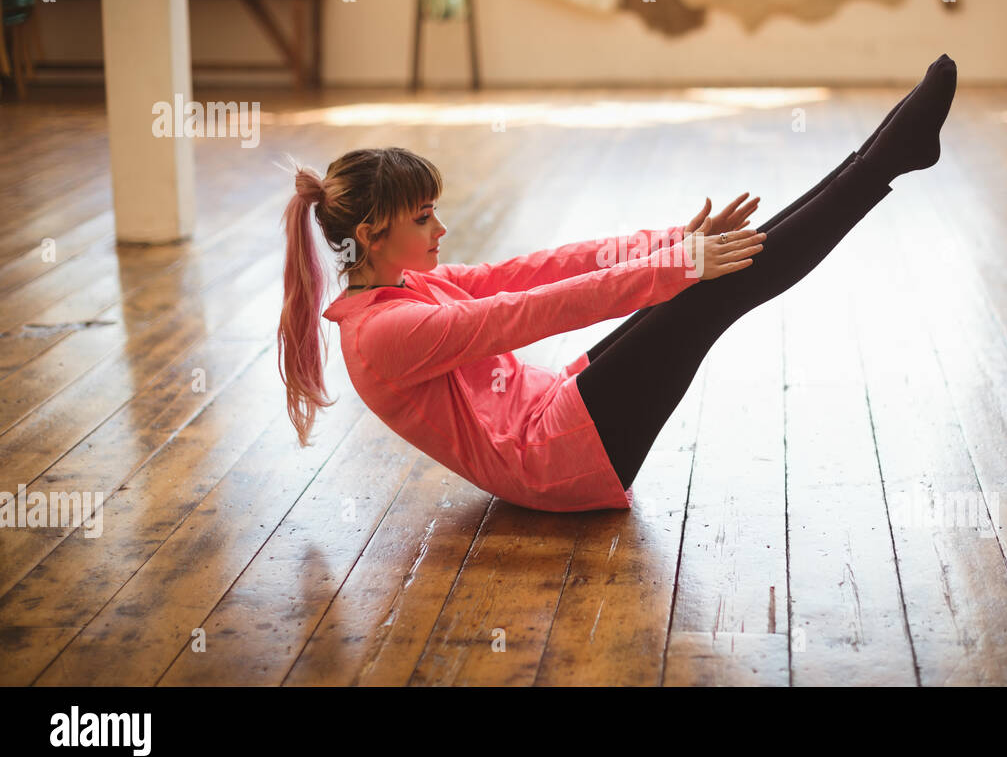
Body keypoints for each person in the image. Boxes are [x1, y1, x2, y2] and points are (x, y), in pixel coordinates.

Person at [276, 54, 956, 512]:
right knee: (714, 289)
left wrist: (675, 245)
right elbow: (529, 312)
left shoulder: (401, 291)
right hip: (553, 462)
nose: (440, 229)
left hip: (558, 413)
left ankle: (886, 155)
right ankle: (887, 159)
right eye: (422, 218)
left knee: (712, 271)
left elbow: (543, 269)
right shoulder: (385, 335)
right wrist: (677, 266)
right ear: (369, 233)